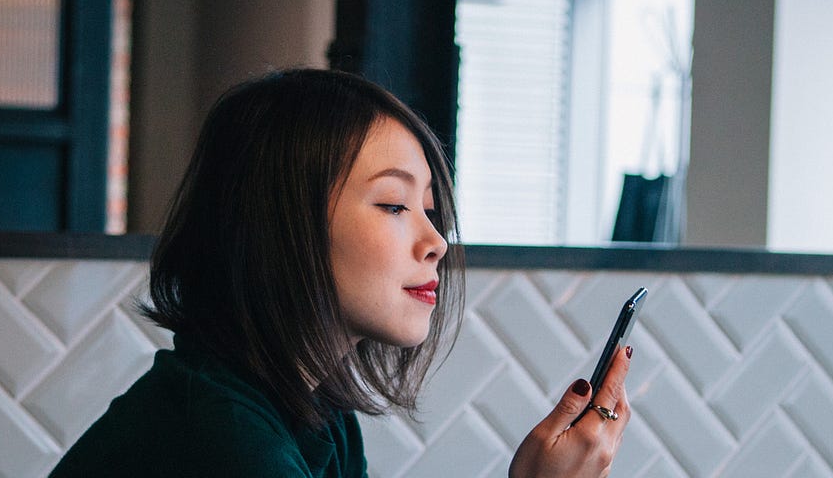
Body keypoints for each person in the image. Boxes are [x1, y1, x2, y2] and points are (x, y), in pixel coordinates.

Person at [50, 69, 632, 477]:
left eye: (430, 209)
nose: (435, 242)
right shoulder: (222, 441)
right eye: (394, 206)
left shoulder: (316, 417)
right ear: (282, 224)